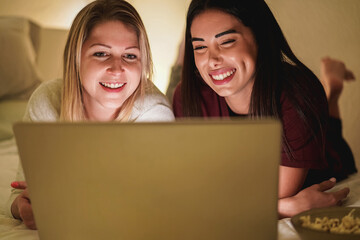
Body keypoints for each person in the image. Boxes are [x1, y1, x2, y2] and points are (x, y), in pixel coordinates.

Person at [172, 0, 357, 218]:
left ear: (259, 37)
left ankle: (331, 91)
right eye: (200, 47)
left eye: (227, 41)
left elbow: (275, 193)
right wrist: (284, 207)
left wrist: (277, 205)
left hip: (325, 162)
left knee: (331, 136)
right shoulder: (188, 98)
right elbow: (195, 191)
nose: (212, 60)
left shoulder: (298, 93)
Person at [7, 0, 174, 229]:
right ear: (76, 59)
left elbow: (151, 205)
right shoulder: (47, 100)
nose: (116, 69)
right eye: (101, 53)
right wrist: (21, 206)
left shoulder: (155, 112)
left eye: (130, 56)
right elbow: (18, 191)